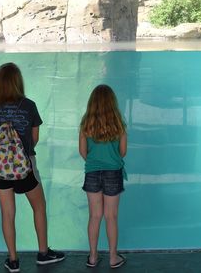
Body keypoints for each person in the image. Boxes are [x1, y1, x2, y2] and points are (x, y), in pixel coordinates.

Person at [0, 62, 65, 272]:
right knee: (39, 206)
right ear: (18, 81)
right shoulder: (29, 105)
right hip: (25, 165)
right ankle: (44, 253)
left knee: (7, 213)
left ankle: (13, 260)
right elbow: (34, 139)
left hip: (0, 168)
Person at [79, 84, 128, 269]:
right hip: (113, 172)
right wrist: (110, 159)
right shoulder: (119, 124)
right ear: (112, 102)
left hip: (92, 172)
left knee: (94, 216)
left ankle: (92, 257)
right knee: (111, 217)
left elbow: (82, 151)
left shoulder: (85, 124)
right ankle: (113, 258)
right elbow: (122, 152)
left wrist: (94, 162)